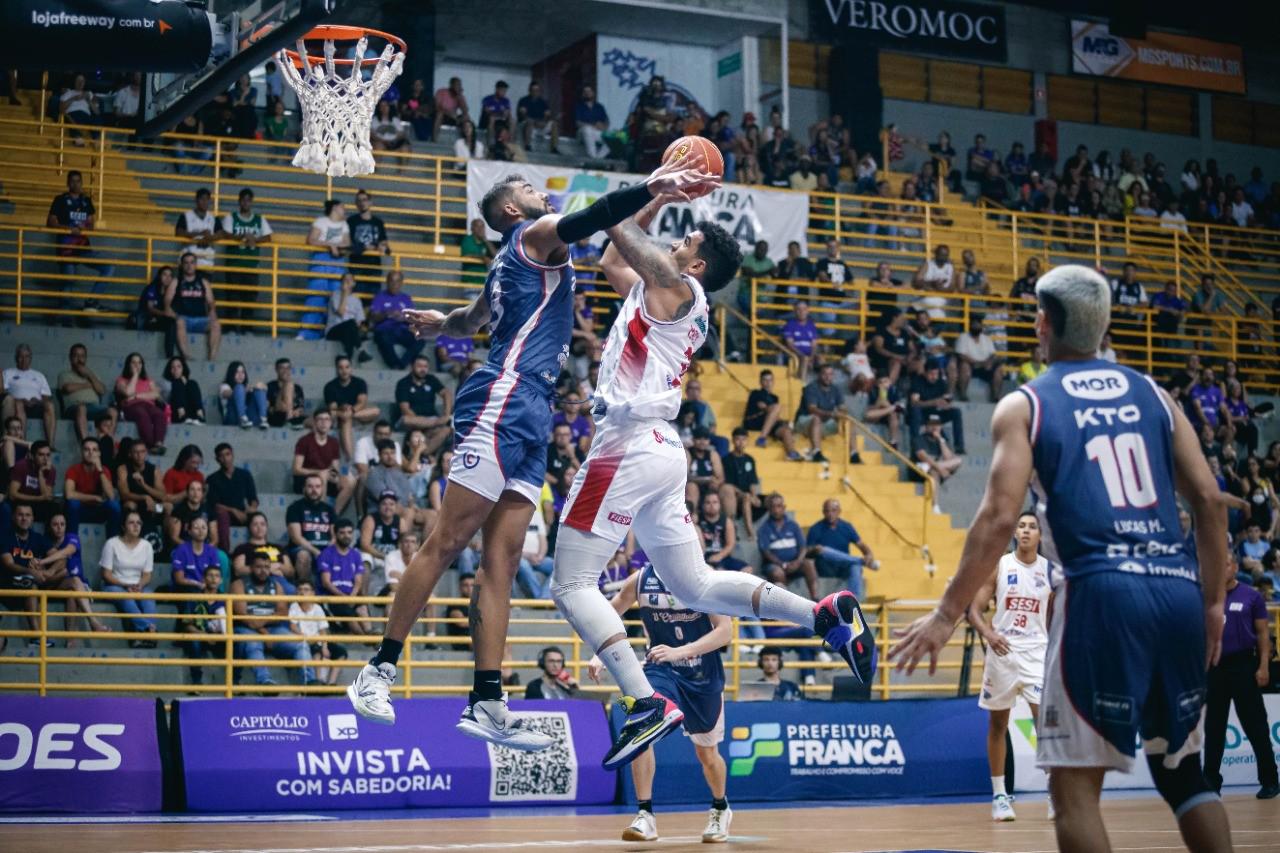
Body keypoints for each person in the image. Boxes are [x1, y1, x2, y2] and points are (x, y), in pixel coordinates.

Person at [347, 160, 719, 749]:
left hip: (533, 407)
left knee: (503, 559)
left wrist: (438, 321)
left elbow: (472, 319)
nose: (535, 187)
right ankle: (378, 670)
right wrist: (652, 187)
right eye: (525, 187)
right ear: (514, 212)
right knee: (448, 540)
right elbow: (598, 218)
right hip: (504, 395)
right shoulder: (534, 234)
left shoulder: (508, 261)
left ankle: (488, 701)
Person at [890, 265, 1233, 853]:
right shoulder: (1153, 393)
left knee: (1073, 793)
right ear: (1103, 327)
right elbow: (1207, 498)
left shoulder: (1025, 404)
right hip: (1176, 588)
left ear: (1042, 324)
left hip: (1101, 594)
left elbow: (999, 517)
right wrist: (1213, 604)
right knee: (1185, 776)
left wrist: (947, 614)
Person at [548, 188, 876, 766]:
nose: (674, 243)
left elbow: (620, 233)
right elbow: (610, 259)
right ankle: (822, 614)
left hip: (625, 445)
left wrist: (648, 190)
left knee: (572, 584)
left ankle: (644, 702)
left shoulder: (681, 289)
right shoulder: (659, 294)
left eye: (686, 242)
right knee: (695, 586)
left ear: (696, 266)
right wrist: (647, 200)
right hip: (659, 450)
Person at [589, 567, 733, 843]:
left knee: (707, 754)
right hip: (660, 669)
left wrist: (681, 651)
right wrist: (601, 652)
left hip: (702, 674)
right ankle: (645, 815)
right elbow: (606, 616)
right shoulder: (641, 580)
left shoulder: (704, 578)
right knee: (642, 728)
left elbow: (725, 632)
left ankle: (720, 807)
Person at [966, 511, 1053, 822]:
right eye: (1022, 526)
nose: (1026, 531)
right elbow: (974, 609)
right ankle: (1000, 795)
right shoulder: (1001, 565)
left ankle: (1054, 791)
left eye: (1032, 527)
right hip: (1002, 654)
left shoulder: (1049, 571)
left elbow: (1055, 617)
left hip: (1037, 654)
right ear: (1015, 532)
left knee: (1046, 724)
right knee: (998, 725)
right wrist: (989, 634)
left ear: (1040, 535)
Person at [1203, 560, 1278, 798]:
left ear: (1234, 567)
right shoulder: (1206, 598)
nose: (1220, 569)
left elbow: (1263, 633)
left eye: (1225, 565)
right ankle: (1211, 782)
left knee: (1256, 725)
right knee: (1213, 727)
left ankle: (1270, 780)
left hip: (1244, 665)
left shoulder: (1251, 596)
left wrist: (1263, 665)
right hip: (1214, 667)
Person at [231, 551, 315, 688]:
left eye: (266, 567)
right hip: (245, 629)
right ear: (251, 568)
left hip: (273, 629)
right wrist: (264, 631)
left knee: (301, 644)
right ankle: (265, 682)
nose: (263, 571)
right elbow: (244, 616)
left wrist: (263, 624)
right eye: (259, 567)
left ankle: (309, 682)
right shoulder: (239, 585)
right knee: (253, 643)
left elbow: (282, 613)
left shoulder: (276, 585)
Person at [99, 510, 157, 646]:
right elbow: (106, 574)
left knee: (149, 597)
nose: (136, 526)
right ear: (124, 526)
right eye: (131, 523)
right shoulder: (111, 544)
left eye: (138, 523)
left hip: (138, 585)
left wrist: (140, 585)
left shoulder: (147, 546)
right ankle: (150, 630)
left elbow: (147, 575)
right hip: (114, 585)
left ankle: (144, 634)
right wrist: (125, 585)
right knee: (126, 597)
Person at [1, 504, 56, 645]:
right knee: (31, 585)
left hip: (37, 579)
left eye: (28, 515)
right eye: (20, 515)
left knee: (69, 575)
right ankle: (36, 636)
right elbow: (9, 564)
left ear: (33, 519)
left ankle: (71, 641)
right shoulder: (5, 536)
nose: (24, 518)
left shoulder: (37, 538)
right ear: (13, 517)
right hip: (10, 583)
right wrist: (30, 571)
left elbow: (59, 558)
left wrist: (48, 570)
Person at [805, 499, 878, 599]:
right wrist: (815, 549)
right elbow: (806, 552)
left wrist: (869, 554)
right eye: (827, 511)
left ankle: (853, 601)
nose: (830, 514)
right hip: (825, 568)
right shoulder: (816, 528)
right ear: (823, 512)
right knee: (825, 550)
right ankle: (861, 561)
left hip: (843, 567)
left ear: (839, 511)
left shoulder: (846, 527)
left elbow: (861, 545)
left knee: (856, 566)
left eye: (833, 510)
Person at [219, 188, 272, 320]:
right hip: (233, 264)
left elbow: (268, 237)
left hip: (251, 265)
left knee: (249, 298)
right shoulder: (231, 217)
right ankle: (230, 327)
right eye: (243, 200)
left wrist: (254, 239)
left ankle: (246, 328)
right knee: (232, 297)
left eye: (248, 200)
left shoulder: (259, 219)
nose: (246, 203)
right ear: (239, 201)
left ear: (251, 202)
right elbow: (226, 234)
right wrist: (243, 236)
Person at [292, 409, 356, 514]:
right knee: (322, 474)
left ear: (330, 423)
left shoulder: (333, 442)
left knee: (350, 478)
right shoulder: (304, 441)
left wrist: (340, 475)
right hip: (305, 480)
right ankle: (320, 512)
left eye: (327, 420)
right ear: (314, 422)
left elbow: (335, 467)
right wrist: (318, 472)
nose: (324, 423)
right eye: (320, 419)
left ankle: (334, 513)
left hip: (325, 477)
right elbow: (296, 469)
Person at [795, 363, 859, 464]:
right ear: (819, 375)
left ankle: (854, 455)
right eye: (825, 374)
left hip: (823, 424)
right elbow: (812, 409)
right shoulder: (811, 388)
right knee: (816, 418)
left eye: (830, 374)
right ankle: (816, 453)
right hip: (804, 422)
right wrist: (832, 414)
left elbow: (842, 407)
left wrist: (842, 413)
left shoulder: (835, 389)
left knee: (848, 421)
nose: (827, 377)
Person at [164, 252, 222, 360]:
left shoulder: (203, 282)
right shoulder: (176, 282)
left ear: (196, 265)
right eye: (186, 263)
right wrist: (174, 315)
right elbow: (167, 301)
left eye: (192, 262)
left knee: (216, 324)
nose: (189, 265)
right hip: (184, 320)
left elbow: (211, 301)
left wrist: (212, 311)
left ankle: (212, 358)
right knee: (179, 321)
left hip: (201, 320)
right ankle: (185, 355)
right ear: (182, 265)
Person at [290, 580, 348, 686]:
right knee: (317, 650)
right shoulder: (294, 606)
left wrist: (325, 646)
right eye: (300, 590)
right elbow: (293, 626)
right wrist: (304, 636)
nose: (302, 592)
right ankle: (318, 682)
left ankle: (331, 683)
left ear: (313, 593)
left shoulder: (317, 608)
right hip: (304, 642)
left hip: (319, 640)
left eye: (306, 590)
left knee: (341, 652)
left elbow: (322, 630)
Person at [319, 519, 370, 635]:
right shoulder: (326, 554)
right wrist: (343, 597)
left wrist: (351, 596)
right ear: (336, 534)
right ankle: (368, 640)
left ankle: (370, 633)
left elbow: (358, 581)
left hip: (351, 596)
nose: (346, 536)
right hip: (333, 597)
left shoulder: (356, 554)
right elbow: (326, 582)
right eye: (342, 533)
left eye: (349, 532)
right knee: (349, 616)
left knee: (362, 608)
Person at [64, 436, 121, 537]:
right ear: (82, 452)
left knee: (114, 506)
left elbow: (111, 496)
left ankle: (112, 544)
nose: (90, 453)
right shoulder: (73, 469)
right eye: (87, 449)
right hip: (80, 510)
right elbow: (69, 494)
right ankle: (72, 542)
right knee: (72, 504)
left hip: (98, 510)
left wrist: (99, 470)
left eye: (94, 450)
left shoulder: (104, 470)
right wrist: (94, 498)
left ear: (99, 453)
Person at [206, 443, 258, 552]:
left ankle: (259, 551)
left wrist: (251, 509)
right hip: (224, 515)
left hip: (242, 514)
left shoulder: (245, 475)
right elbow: (214, 505)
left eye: (228, 454)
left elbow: (253, 498)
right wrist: (233, 510)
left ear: (232, 455)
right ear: (217, 459)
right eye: (221, 456)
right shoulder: (212, 479)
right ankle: (225, 553)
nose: (225, 459)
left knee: (259, 518)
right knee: (222, 515)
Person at [742, 369, 802, 460]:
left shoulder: (775, 397)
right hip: (754, 421)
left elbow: (774, 414)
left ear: (773, 382)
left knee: (785, 430)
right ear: (760, 382)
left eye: (770, 380)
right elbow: (762, 407)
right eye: (765, 380)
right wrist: (773, 410)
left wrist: (784, 422)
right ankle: (761, 438)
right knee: (777, 407)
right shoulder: (756, 393)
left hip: (768, 423)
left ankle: (791, 452)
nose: (768, 383)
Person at [2, 344, 56, 444]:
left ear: (31, 358)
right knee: (19, 404)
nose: (24, 359)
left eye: (27, 356)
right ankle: (22, 441)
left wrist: (37, 401)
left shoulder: (39, 375)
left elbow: (47, 397)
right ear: (16, 358)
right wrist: (20, 399)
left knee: (50, 405)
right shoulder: (7, 373)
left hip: (36, 405)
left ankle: (51, 444)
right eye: (20, 356)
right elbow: (3, 393)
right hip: (16, 404)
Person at [370, 270, 424, 369]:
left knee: (420, 340)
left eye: (398, 281)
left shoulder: (406, 298)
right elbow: (373, 318)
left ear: (401, 283)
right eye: (392, 281)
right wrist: (387, 314)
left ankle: (402, 364)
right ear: (387, 282)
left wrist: (403, 317)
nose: (394, 284)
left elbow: (414, 319)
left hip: (402, 330)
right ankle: (395, 364)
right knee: (382, 338)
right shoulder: (379, 297)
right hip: (385, 331)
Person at [286, 474, 334, 584]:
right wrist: (315, 551)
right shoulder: (295, 508)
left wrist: (327, 551)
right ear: (304, 489)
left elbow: (335, 535)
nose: (314, 490)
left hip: (325, 549)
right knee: (304, 555)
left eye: (317, 486)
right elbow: (296, 538)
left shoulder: (329, 509)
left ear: (322, 489)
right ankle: (305, 591)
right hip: (302, 548)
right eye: (310, 486)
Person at [954, 316, 1005, 403]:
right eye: (974, 324)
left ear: (981, 326)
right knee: (964, 366)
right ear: (970, 326)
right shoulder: (963, 337)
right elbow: (961, 355)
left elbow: (992, 354)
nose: (976, 326)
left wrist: (988, 362)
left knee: (999, 368)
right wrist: (977, 363)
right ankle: (963, 395)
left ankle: (996, 397)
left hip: (985, 366)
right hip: (971, 365)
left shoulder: (987, 339)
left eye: (978, 325)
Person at [7, 439, 58, 525]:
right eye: (41, 455)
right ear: (32, 456)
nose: (45, 459)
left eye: (48, 455)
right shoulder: (21, 466)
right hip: (20, 502)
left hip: (37, 504)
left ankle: (48, 537)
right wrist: (38, 498)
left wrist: (41, 474)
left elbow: (47, 496)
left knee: (54, 507)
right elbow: (13, 494)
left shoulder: (51, 470)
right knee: (6, 507)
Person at [347, 189, 391, 286]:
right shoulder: (351, 221)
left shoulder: (378, 222)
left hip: (373, 267)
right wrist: (365, 247)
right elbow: (348, 242)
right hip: (356, 266)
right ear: (356, 203)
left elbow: (384, 242)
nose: (362, 203)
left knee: (372, 297)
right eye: (359, 200)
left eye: (364, 200)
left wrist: (381, 246)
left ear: (370, 202)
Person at [326, 272, 372, 362]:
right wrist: (344, 294)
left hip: (350, 330)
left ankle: (348, 359)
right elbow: (341, 312)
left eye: (350, 280)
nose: (347, 282)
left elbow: (360, 321)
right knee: (350, 323)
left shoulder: (357, 300)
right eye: (345, 280)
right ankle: (360, 350)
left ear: (354, 283)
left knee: (352, 329)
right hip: (334, 329)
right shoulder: (335, 295)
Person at [219, 361, 269, 430]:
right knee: (239, 387)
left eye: (242, 372)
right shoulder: (224, 386)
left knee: (259, 390)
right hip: (233, 418)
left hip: (250, 418)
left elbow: (264, 388)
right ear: (231, 373)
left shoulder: (248, 387)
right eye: (237, 372)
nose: (240, 375)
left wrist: (261, 388)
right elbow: (228, 393)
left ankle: (263, 419)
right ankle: (242, 418)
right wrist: (250, 387)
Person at [517, 81, 559, 154]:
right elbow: (522, 116)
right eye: (533, 90)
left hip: (540, 125)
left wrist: (544, 121)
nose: (535, 92)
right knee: (530, 121)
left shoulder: (543, 102)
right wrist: (535, 122)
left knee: (554, 124)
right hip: (528, 125)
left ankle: (554, 148)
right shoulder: (523, 100)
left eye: (537, 90)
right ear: (529, 90)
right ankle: (527, 145)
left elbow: (547, 116)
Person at [161, 356, 205, 425]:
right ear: (169, 370)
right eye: (173, 367)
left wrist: (185, 384)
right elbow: (165, 399)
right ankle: (182, 415)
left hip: (192, 413)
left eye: (179, 366)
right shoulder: (165, 383)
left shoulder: (190, 383)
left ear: (183, 369)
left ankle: (200, 415)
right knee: (177, 383)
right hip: (175, 413)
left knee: (192, 383)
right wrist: (179, 383)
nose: (176, 369)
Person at [266, 358, 307, 429]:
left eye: (288, 368)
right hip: (277, 417)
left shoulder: (298, 388)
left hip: (294, 417)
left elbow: (301, 408)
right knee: (289, 384)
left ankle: (290, 419)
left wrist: (296, 412)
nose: (285, 371)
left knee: (317, 418)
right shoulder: (270, 386)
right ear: (276, 370)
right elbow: (268, 408)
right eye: (282, 368)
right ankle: (289, 418)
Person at [575, 85, 610, 160]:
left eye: (589, 91)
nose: (587, 93)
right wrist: (593, 125)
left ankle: (597, 158)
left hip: (596, 132)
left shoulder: (599, 107)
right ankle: (593, 156)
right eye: (585, 92)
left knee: (611, 139)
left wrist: (604, 127)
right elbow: (578, 123)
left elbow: (606, 121)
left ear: (593, 93)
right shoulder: (579, 106)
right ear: (583, 94)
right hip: (582, 132)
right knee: (587, 130)